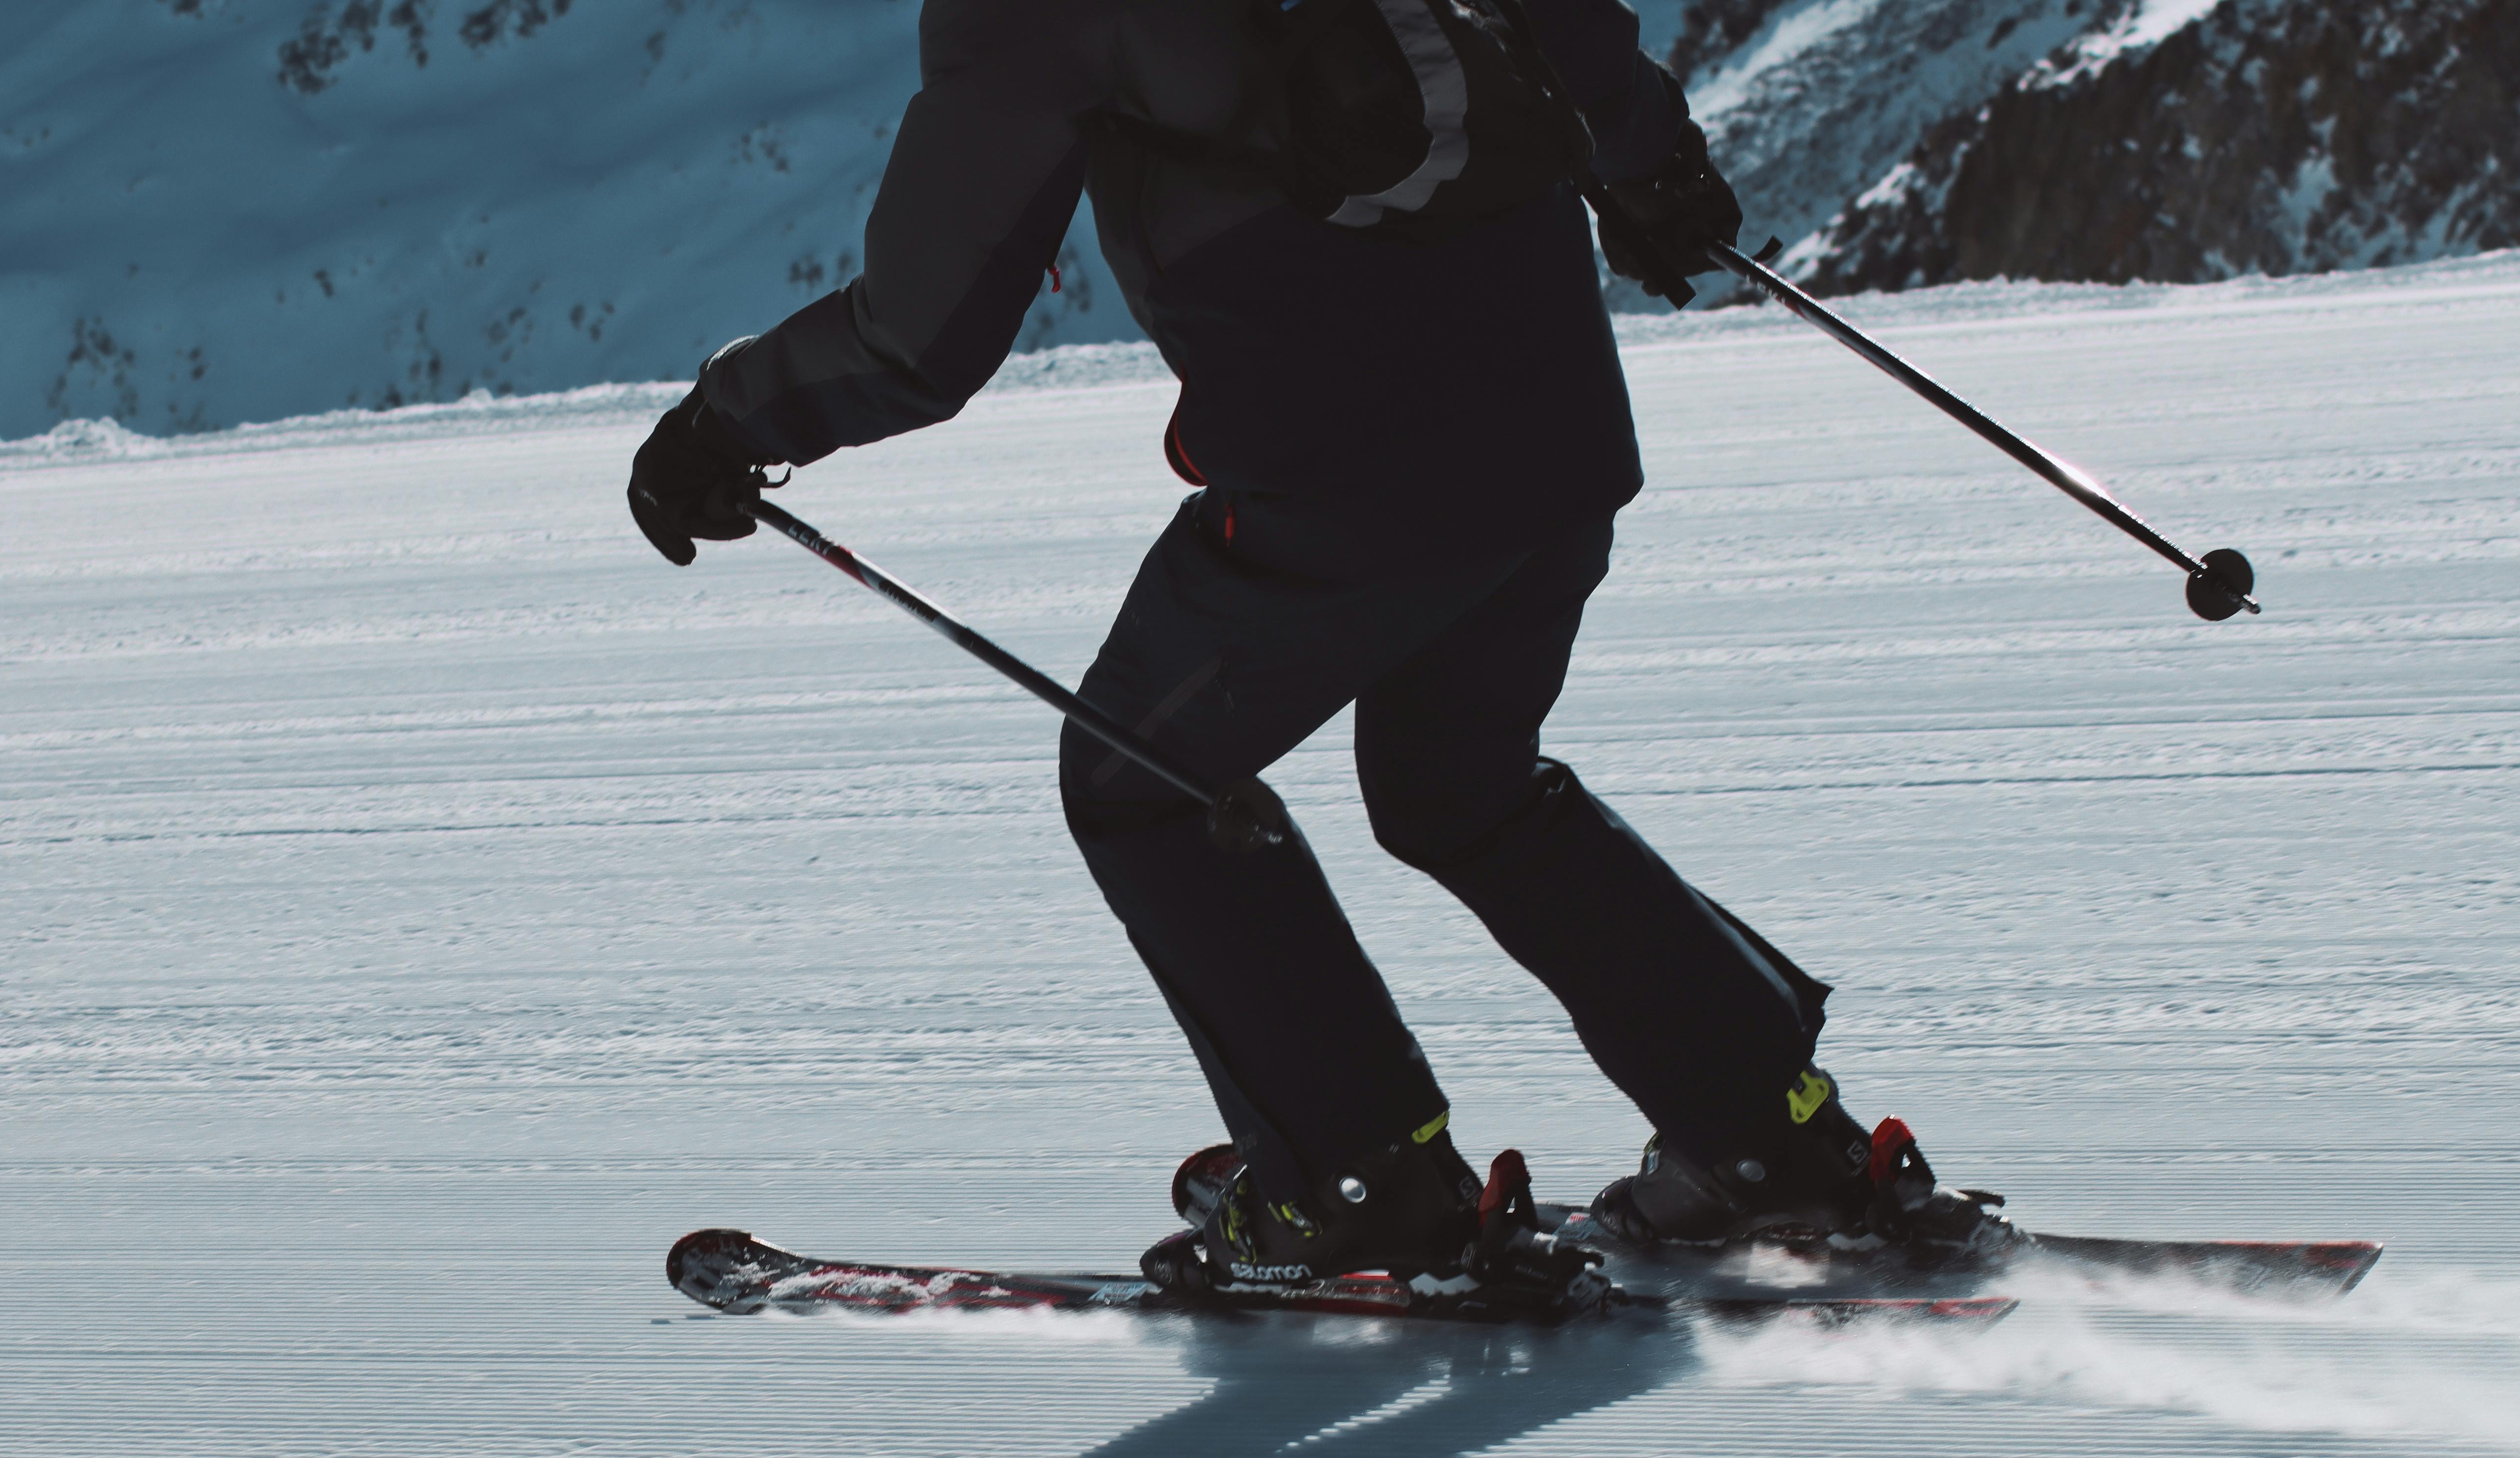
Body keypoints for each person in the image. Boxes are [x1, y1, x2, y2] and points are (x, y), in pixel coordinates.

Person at [626, 0, 2000, 1291]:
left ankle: (1357, 1185)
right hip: (1557, 435)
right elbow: (1567, 45)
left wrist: (725, 425)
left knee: (1141, 778)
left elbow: (927, 334)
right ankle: (1771, 1143)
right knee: (1461, 788)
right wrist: (1654, 173)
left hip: (1342, 489)